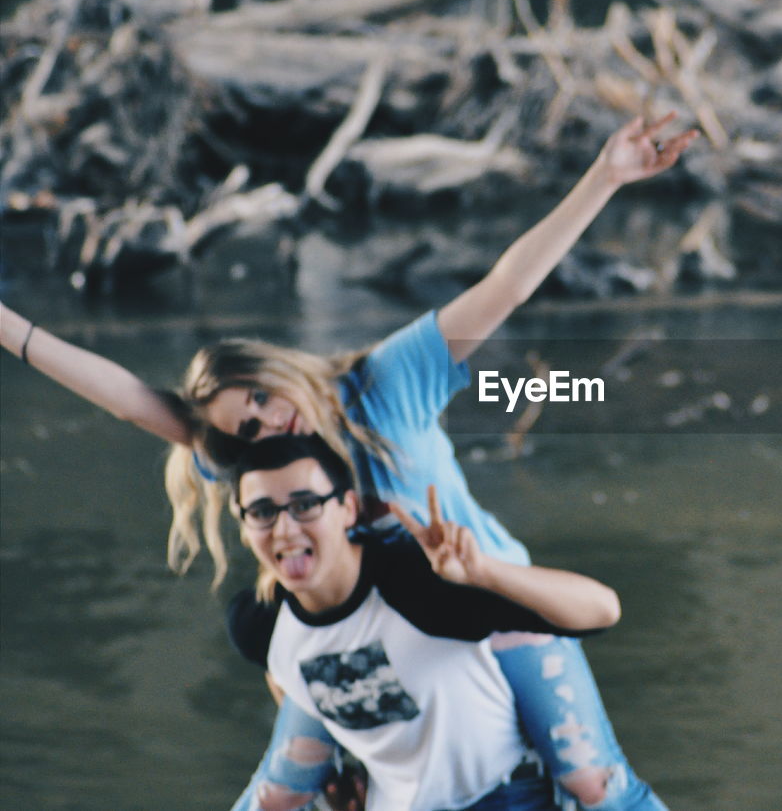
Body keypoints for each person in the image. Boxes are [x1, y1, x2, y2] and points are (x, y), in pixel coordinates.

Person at [0, 114, 697, 811]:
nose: (271, 423)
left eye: (263, 399)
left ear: (275, 367)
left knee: (591, 786)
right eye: (248, 429)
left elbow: (506, 287)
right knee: (289, 792)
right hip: (371, 637)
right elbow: (128, 399)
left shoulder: (384, 386)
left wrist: (606, 175)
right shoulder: (266, 470)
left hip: (486, 599)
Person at [225, 433, 621, 811]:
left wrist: (483, 572)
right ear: (243, 524)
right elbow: (293, 685)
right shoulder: (258, 624)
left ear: (346, 509)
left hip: (504, 797)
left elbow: (601, 610)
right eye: (262, 512)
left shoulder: (417, 585)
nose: (285, 529)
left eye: (305, 505)